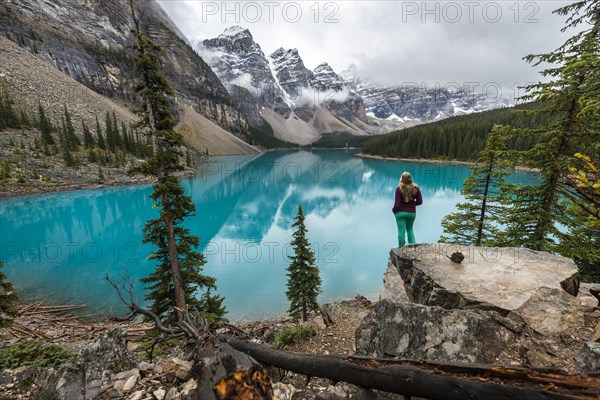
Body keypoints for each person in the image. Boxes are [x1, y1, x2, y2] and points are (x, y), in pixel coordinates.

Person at [392, 172, 423, 247]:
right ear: (411, 178)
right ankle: (412, 246)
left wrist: (394, 210)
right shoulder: (416, 189)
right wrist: (412, 205)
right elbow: (420, 201)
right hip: (411, 213)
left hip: (400, 213)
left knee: (401, 231)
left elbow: (397, 205)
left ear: (402, 179)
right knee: (410, 229)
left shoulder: (399, 189)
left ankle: (401, 248)